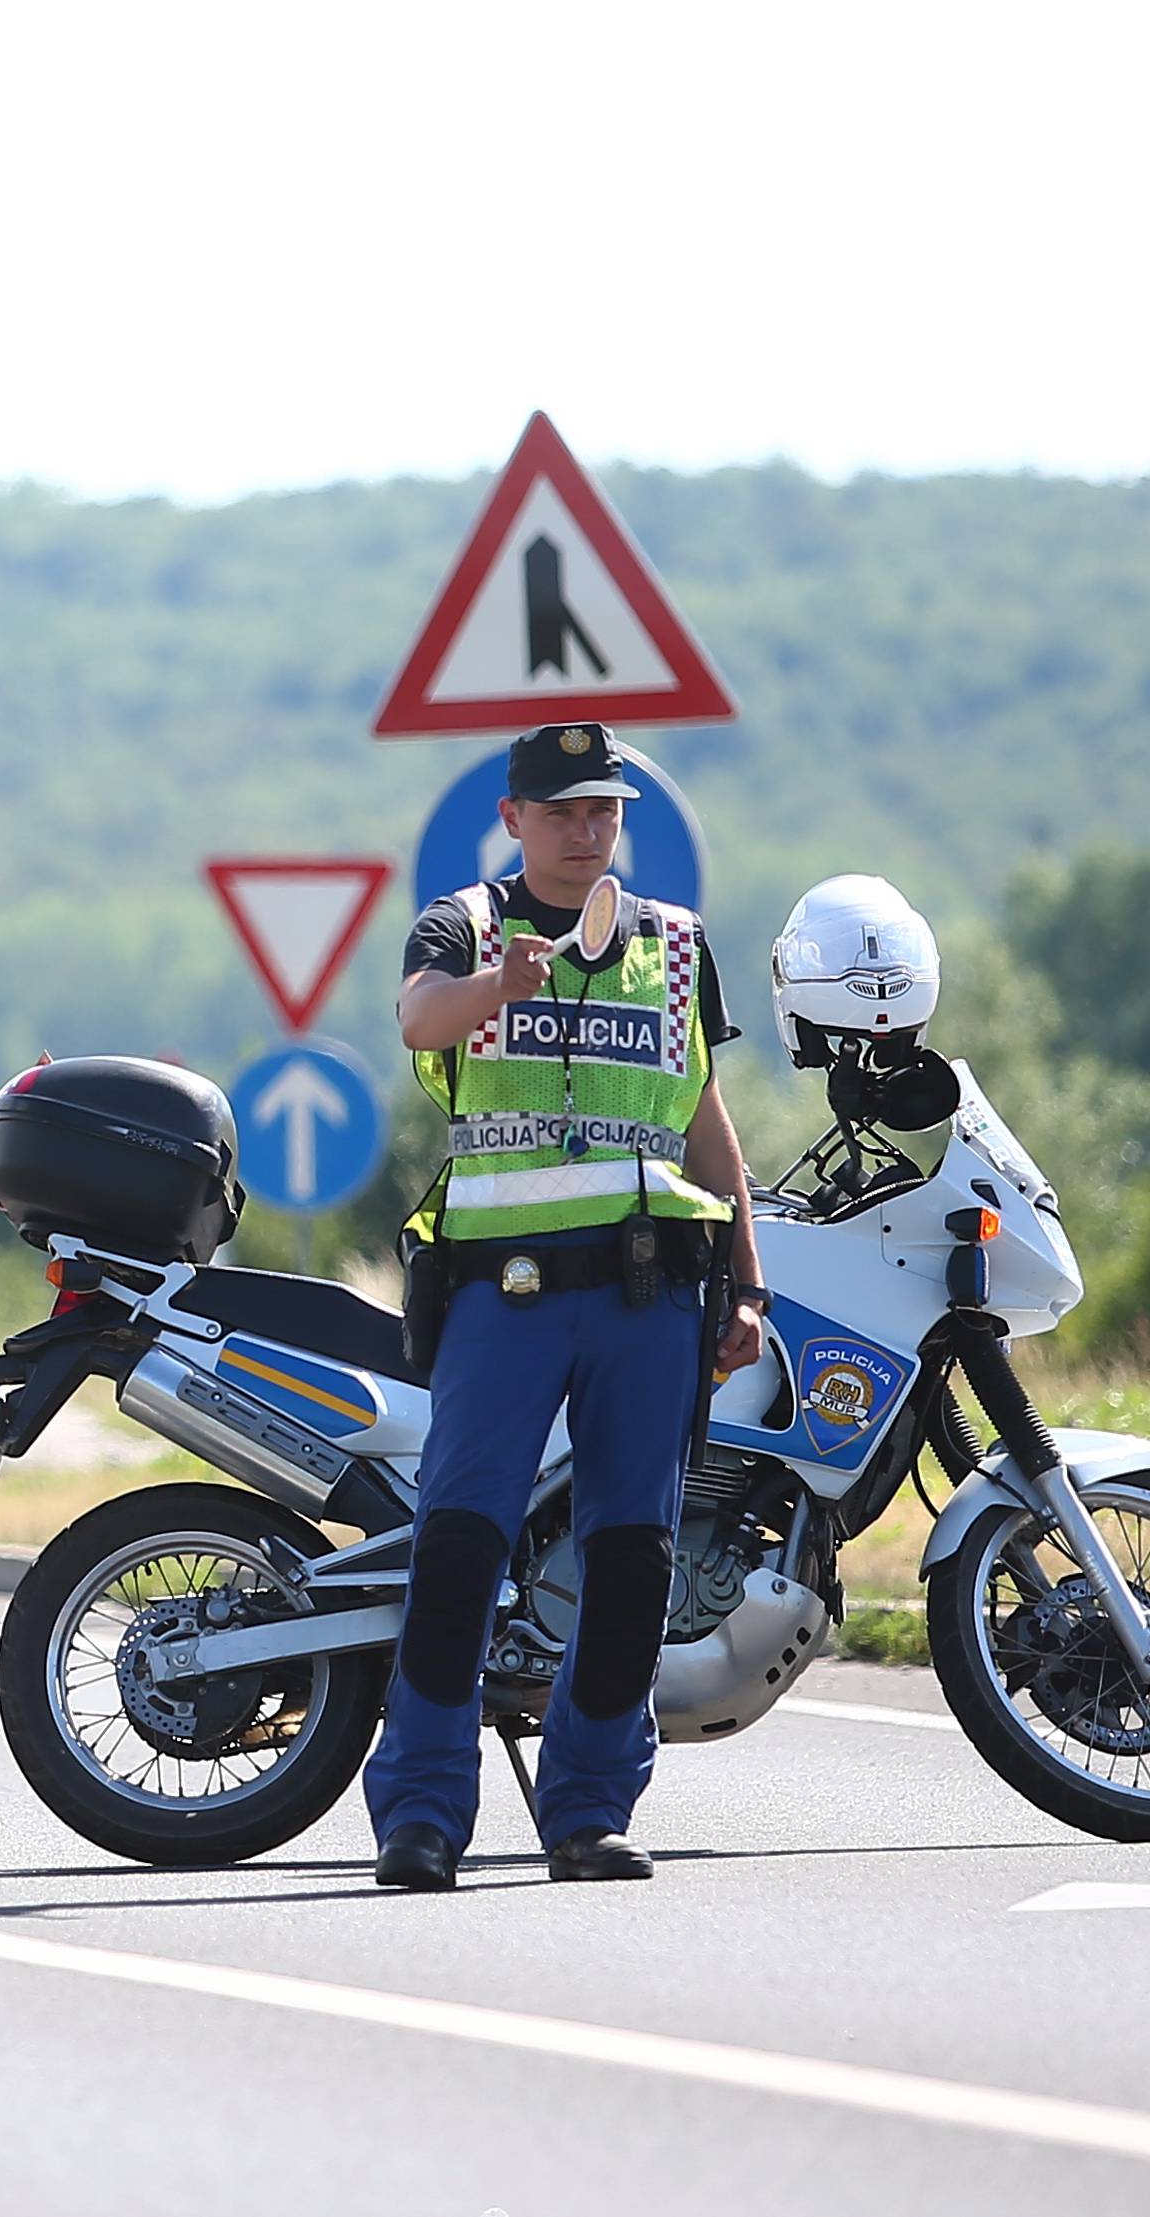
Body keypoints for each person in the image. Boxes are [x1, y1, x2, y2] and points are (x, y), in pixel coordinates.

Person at [363, 722, 768, 1890]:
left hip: (648, 1296)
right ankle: (423, 1816)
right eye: (563, 813)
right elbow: (418, 1020)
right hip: (507, 1290)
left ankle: (589, 1810)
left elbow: (704, 1121)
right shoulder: (466, 926)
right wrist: (501, 984)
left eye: (604, 811)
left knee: (634, 1555)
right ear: (514, 819)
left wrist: (747, 1286)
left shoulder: (678, 948)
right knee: (460, 1544)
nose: (587, 832)